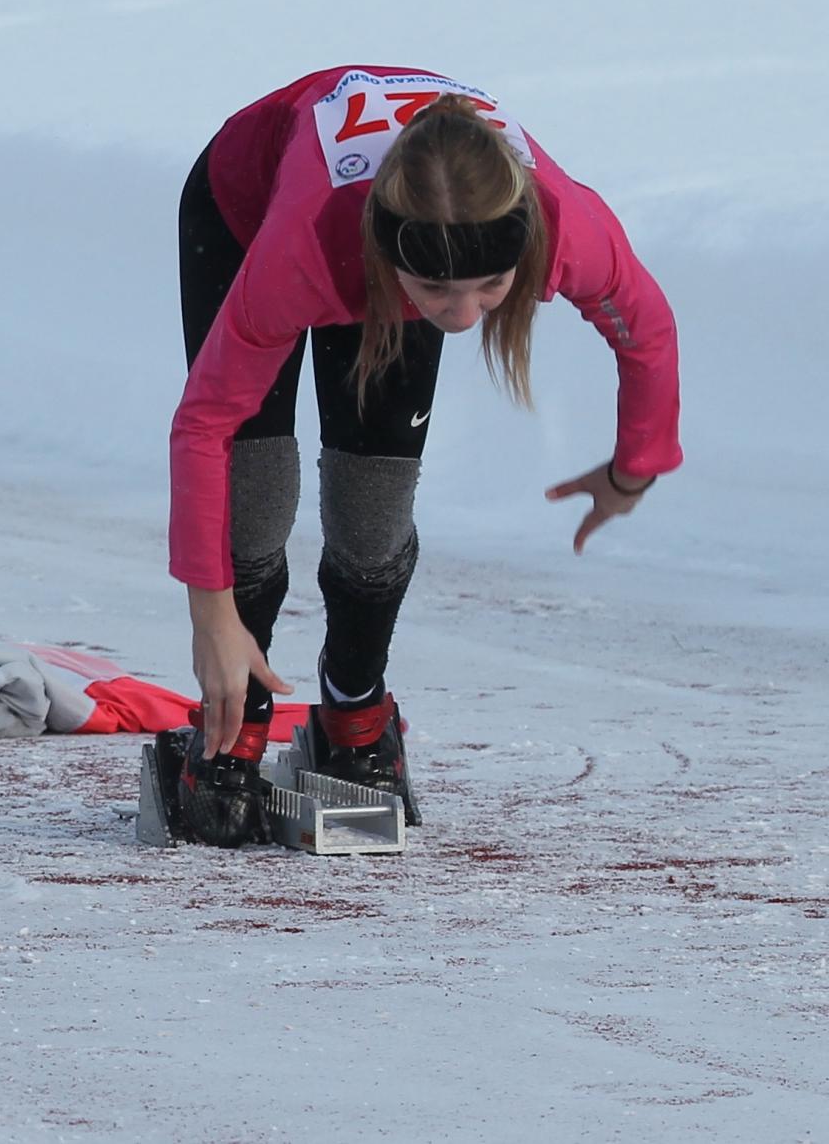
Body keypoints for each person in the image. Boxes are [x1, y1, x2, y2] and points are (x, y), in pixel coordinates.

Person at [168, 67, 681, 846]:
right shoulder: (304, 248)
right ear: (391, 254)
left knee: (373, 518)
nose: (466, 316)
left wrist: (632, 468)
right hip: (246, 209)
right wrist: (212, 617)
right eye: (440, 292)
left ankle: (355, 704)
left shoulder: (565, 224)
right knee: (254, 496)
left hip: (384, 240)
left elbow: (646, 330)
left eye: (492, 287)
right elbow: (204, 425)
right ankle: (237, 710)